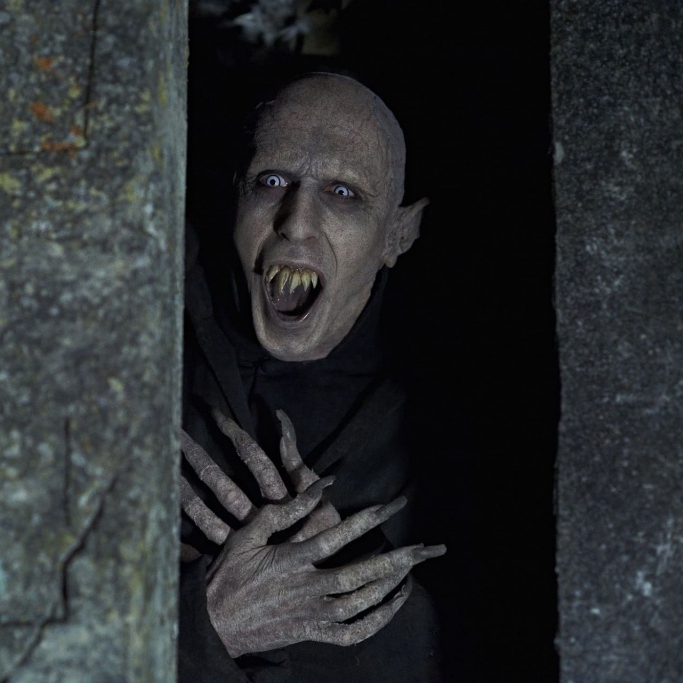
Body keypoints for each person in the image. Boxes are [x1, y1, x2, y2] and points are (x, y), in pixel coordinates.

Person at [179, 72, 445, 681]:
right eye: (271, 182)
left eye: (343, 193)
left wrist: (350, 578)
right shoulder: (150, 340)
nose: (296, 223)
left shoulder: (449, 423)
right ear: (234, 199)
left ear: (398, 234)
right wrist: (205, 622)